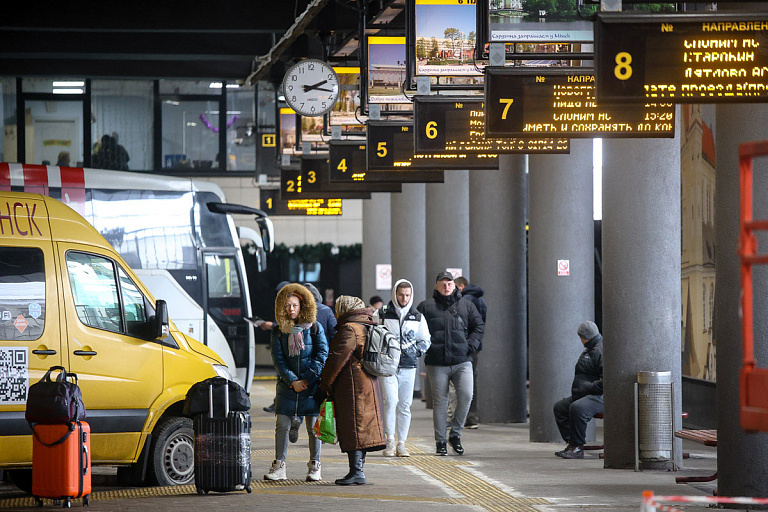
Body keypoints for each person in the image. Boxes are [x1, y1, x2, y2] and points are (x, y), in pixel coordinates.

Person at [264, 283, 328, 481]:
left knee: (312, 428)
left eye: (294, 305)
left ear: (302, 307)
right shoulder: (278, 331)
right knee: (282, 424)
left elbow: (322, 354)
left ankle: (315, 465)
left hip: (311, 386)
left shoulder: (315, 328)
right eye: (287, 305)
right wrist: (293, 380)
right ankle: (279, 466)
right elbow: (279, 360)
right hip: (287, 386)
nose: (291, 309)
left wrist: (306, 380)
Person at [320, 296, 386, 485]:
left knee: (354, 427)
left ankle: (356, 471)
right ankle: (358, 470)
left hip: (352, 385)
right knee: (361, 428)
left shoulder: (349, 328)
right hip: (367, 383)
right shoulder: (364, 324)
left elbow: (336, 360)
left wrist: (325, 384)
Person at [417, 271, 484, 456]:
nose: (446, 287)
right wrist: (425, 348)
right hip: (437, 363)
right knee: (440, 402)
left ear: (454, 285)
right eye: (443, 283)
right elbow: (417, 330)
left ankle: (455, 434)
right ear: (436, 286)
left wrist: (471, 345)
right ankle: (440, 442)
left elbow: (478, 326)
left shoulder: (466, 305)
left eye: (449, 283)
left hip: (462, 361)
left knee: (466, 396)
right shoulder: (425, 307)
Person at [375, 279, 431, 457]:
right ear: (394, 294)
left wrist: (416, 352)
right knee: (390, 401)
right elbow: (372, 334)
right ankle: (389, 440)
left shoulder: (417, 316)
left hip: (408, 365)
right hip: (388, 366)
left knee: (405, 405)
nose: (404, 298)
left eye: (407, 295)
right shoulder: (382, 313)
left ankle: (402, 443)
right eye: (401, 294)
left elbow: (426, 339)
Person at [553, 321, 604, 460]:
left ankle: (577, 448)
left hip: (599, 396)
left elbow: (607, 381)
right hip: (585, 394)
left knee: (577, 408)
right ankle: (572, 443)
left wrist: (589, 387)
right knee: (560, 408)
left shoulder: (600, 350)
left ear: (583, 337)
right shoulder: (590, 348)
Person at [454, 276, 487, 429]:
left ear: (461, 286)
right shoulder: (481, 300)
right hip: (475, 347)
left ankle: (462, 416)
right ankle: (471, 416)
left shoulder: (464, 300)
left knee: (461, 382)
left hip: (463, 347)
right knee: (472, 380)